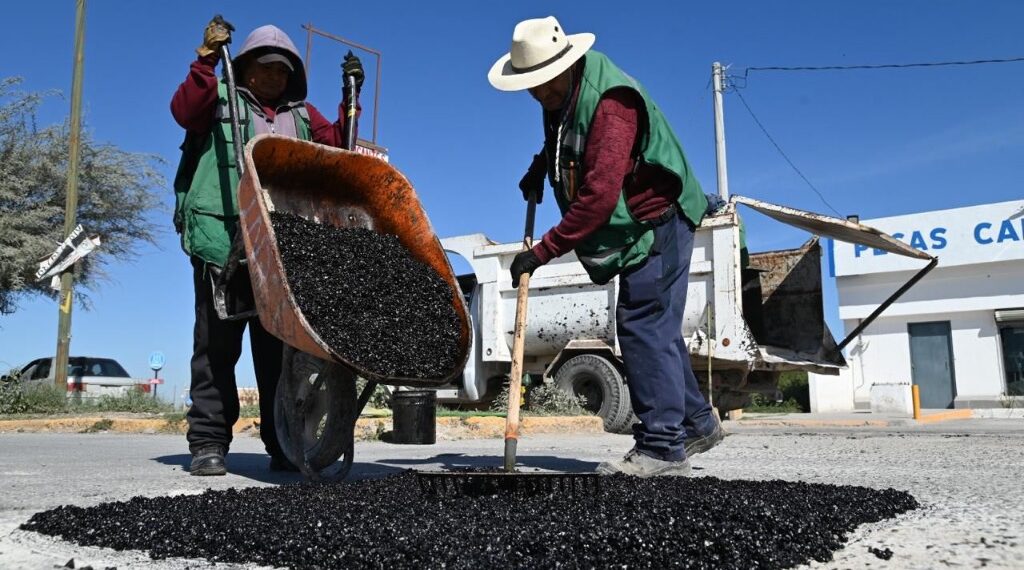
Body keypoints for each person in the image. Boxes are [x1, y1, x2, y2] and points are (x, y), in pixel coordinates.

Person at [488, 16, 724, 477]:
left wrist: (541, 252)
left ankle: (661, 447)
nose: (539, 94)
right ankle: (696, 423)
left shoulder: (611, 103)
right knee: (658, 328)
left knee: (641, 324)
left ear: (568, 63)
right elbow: (560, 137)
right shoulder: (559, 91)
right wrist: (540, 167)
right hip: (640, 220)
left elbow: (597, 200)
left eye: (544, 85)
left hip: (661, 217)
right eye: (531, 87)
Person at [170, 16, 364, 476]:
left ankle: (284, 442)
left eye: (282, 70)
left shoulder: (301, 115)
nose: (274, 76)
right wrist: (206, 61)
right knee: (217, 346)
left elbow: (338, 147)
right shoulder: (218, 98)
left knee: (280, 349)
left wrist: (349, 94)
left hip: (282, 247)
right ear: (246, 67)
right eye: (265, 67)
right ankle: (209, 442)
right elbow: (185, 111)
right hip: (225, 237)